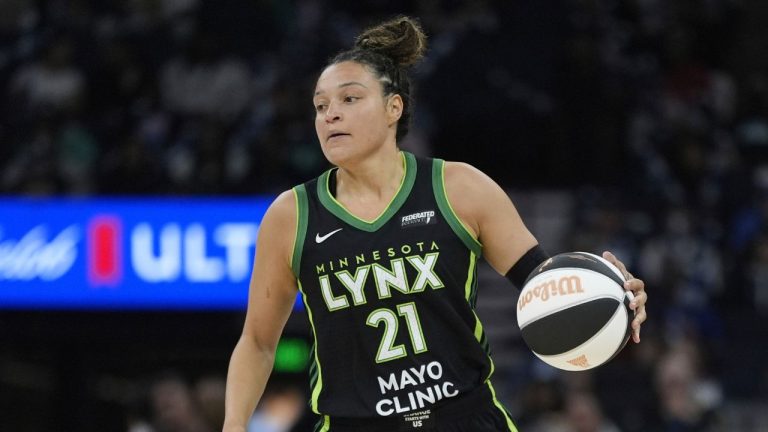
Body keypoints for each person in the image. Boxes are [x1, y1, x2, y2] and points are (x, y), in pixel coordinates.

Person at [223, 16, 648, 432]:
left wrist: (611, 293)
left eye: (349, 99)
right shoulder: (290, 215)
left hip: (465, 418)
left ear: (394, 108)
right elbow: (259, 342)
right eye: (320, 105)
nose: (330, 114)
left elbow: (546, 287)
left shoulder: (459, 187)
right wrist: (234, 424)